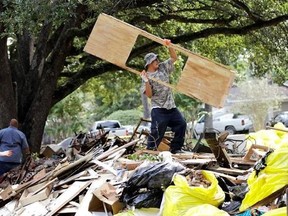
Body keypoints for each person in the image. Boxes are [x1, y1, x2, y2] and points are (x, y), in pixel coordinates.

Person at [140, 39, 187, 154]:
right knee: (157, 130)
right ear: (149, 63)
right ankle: (150, 150)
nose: (157, 61)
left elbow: (174, 58)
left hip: (171, 106)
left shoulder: (163, 67)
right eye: (155, 60)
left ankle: (176, 148)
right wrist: (146, 81)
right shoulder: (146, 76)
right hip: (159, 109)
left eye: (157, 59)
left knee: (181, 124)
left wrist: (169, 46)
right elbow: (150, 95)